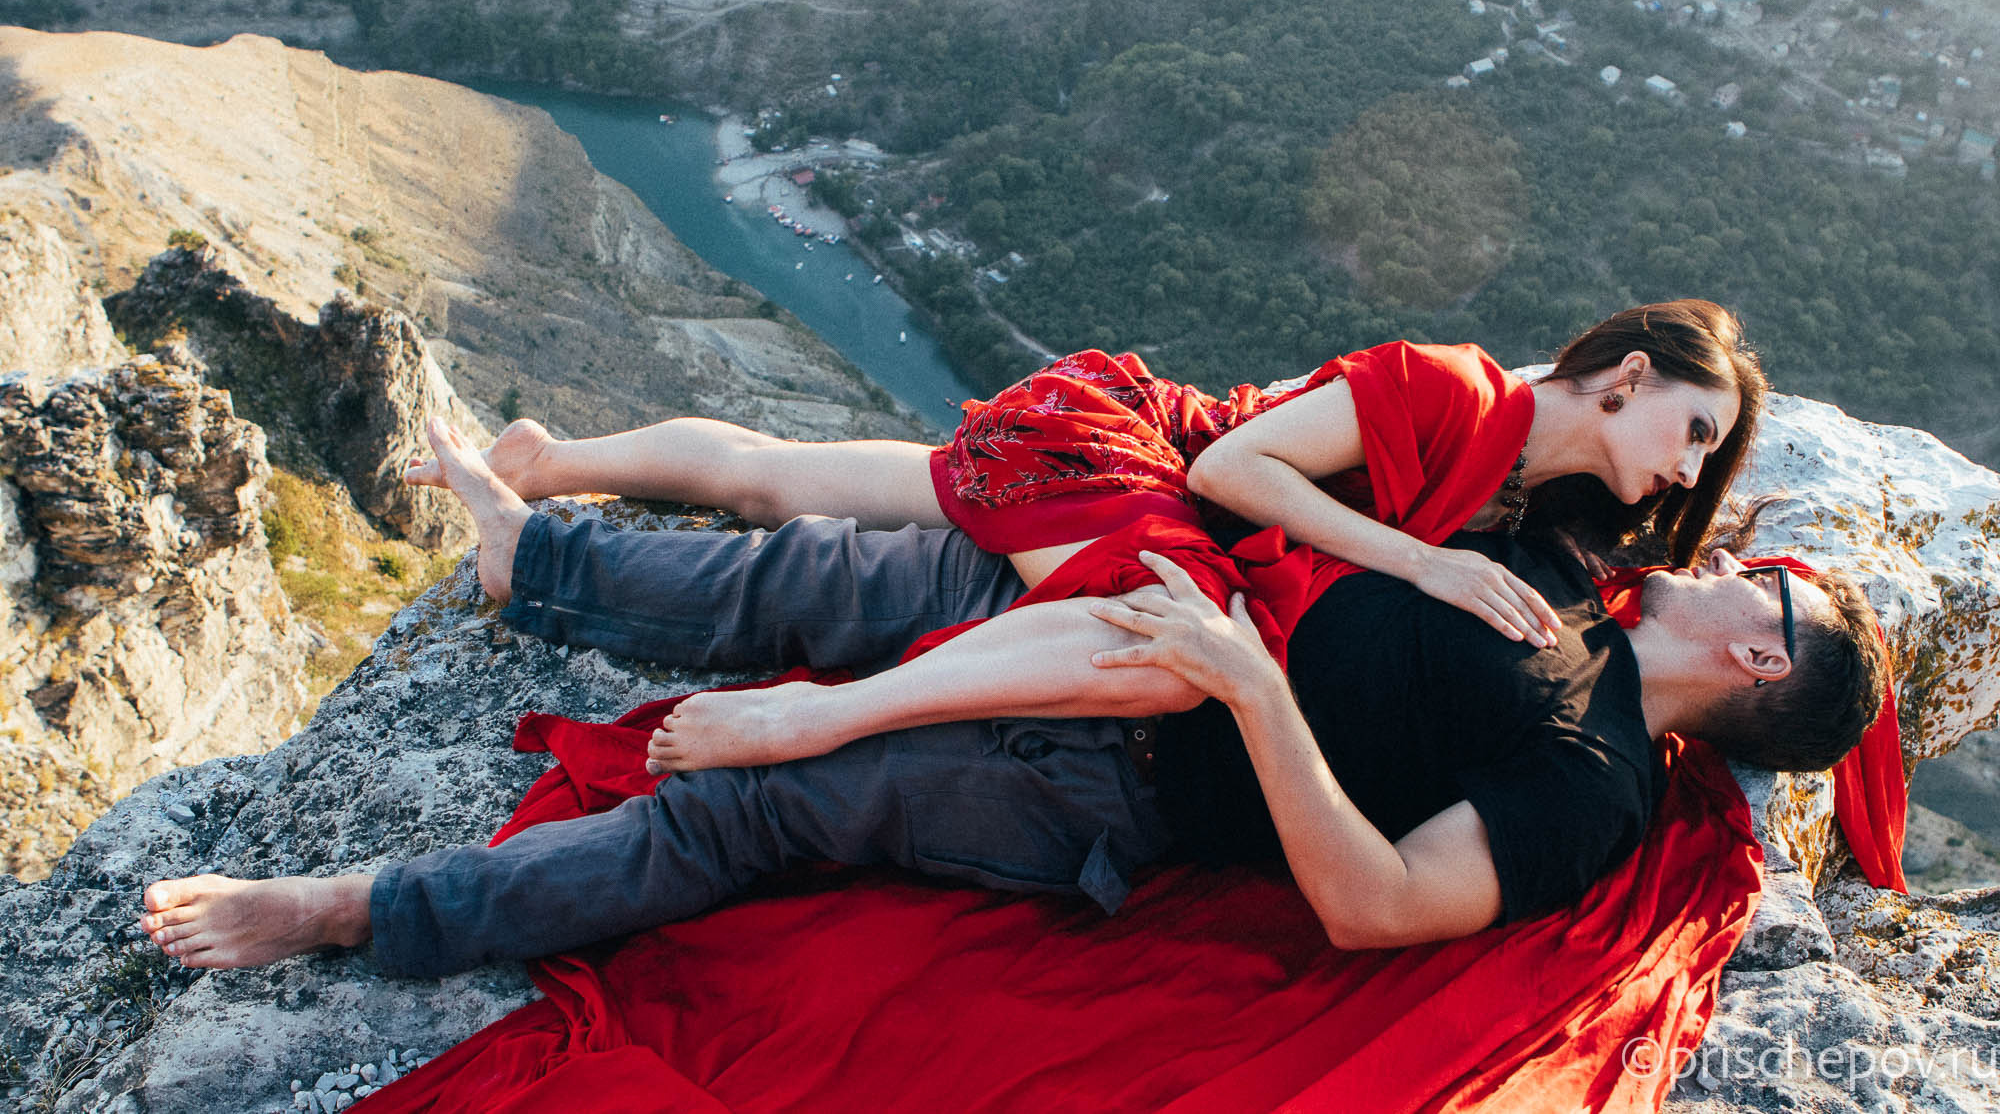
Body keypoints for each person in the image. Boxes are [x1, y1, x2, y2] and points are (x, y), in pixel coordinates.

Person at [135, 420, 1884, 974]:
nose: (1753, 551)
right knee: (804, 571)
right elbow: (1616, 394)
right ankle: (547, 566)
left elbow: (1381, 904)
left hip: (1110, 777)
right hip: (1111, 598)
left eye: (1774, 581)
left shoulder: (1590, 786)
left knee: (748, 810)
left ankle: (350, 907)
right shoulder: (1578, 580)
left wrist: (1250, 693)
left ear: (1753, 655)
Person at [406, 299, 1769, 771]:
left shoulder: (1532, 467)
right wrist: (1422, 560)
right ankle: (825, 719)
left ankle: (548, 462)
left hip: (1113, 447)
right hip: (1140, 457)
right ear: (1633, 380)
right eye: (1695, 436)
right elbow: (1238, 471)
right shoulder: (1455, 386)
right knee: (1172, 650)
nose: (1683, 473)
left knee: (786, 477)